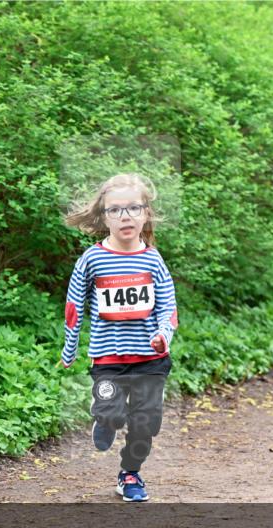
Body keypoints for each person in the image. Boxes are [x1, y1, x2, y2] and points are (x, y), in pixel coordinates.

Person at [59, 173, 179, 502]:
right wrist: (70, 350)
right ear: (103, 217)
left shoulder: (153, 259)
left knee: (146, 424)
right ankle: (106, 419)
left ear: (146, 214)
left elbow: (168, 305)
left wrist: (163, 335)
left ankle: (130, 475)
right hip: (109, 359)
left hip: (151, 360)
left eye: (133, 208)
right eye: (115, 210)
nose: (125, 216)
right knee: (111, 410)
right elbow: (74, 305)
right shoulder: (92, 259)